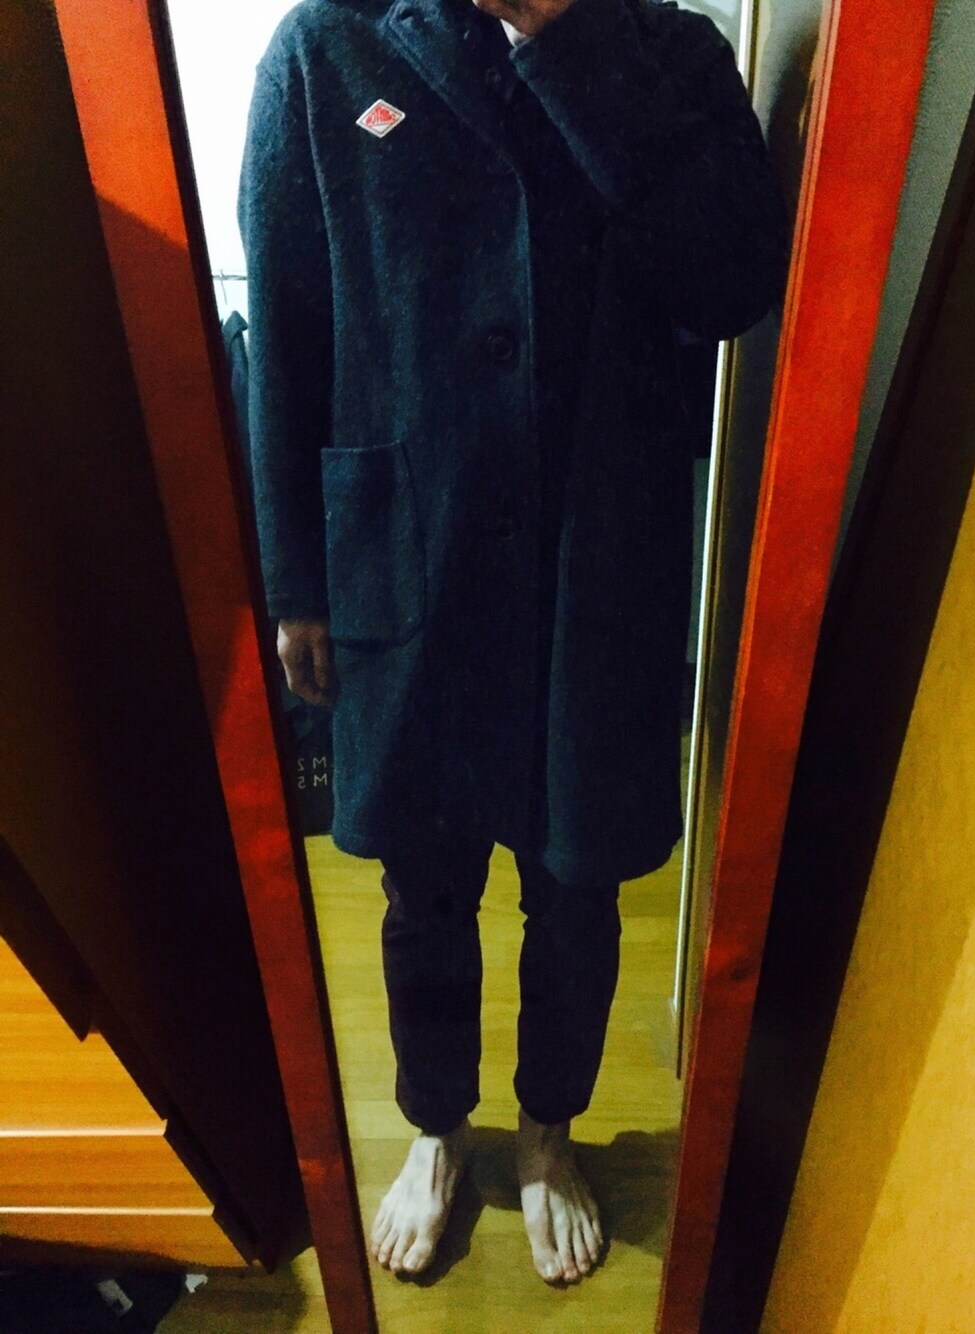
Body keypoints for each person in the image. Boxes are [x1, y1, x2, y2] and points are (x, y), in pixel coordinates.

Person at [239, 0, 786, 1285]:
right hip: (407, 552)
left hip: (597, 565)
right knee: (421, 886)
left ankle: (548, 1128)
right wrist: (296, 579)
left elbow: (730, 282)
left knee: (576, 881)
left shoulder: (667, 52)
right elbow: (287, 326)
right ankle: (436, 1125)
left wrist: (559, 43)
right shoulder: (326, 49)